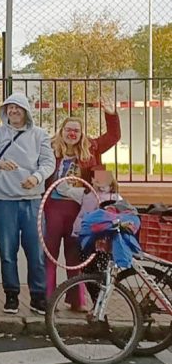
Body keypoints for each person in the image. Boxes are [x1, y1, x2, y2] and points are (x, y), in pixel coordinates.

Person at [0, 94, 55, 315]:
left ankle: (38, 297)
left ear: (25, 111)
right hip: (4, 201)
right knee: (7, 251)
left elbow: (48, 162)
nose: (13, 111)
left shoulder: (39, 134)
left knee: (36, 252)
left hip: (32, 200)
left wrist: (37, 177)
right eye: (9, 108)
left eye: (17, 108)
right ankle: (11, 295)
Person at [44, 104, 121, 307]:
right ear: (61, 131)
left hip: (78, 210)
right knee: (50, 255)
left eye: (76, 130)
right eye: (68, 129)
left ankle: (77, 300)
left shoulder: (91, 147)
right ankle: (48, 300)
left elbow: (113, 136)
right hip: (52, 207)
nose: (72, 134)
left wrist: (111, 114)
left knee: (74, 257)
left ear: (81, 133)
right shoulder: (50, 148)